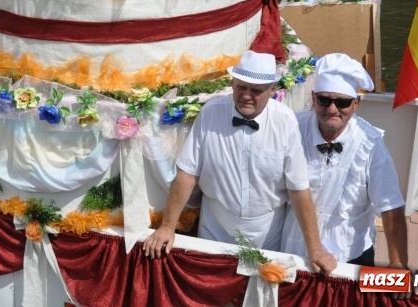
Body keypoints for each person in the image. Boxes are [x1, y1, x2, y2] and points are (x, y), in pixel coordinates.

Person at [143, 51, 337, 275]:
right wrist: (167, 227)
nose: (246, 95)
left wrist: (315, 249)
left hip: (267, 235)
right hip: (214, 229)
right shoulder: (209, 114)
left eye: (256, 90)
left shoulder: (285, 122)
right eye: (241, 87)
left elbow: (299, 189)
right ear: (232, 84)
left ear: (273, 90)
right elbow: (188, 174)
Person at [281, 53, 410, 297]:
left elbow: (391, 207)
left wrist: (397, 263)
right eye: (324, 100)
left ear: (356, 104)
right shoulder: (291, 128)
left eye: (342, 103)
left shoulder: (371, 144)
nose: (332, 109)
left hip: (351, 256)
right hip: (295, 250)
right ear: (313, 98)